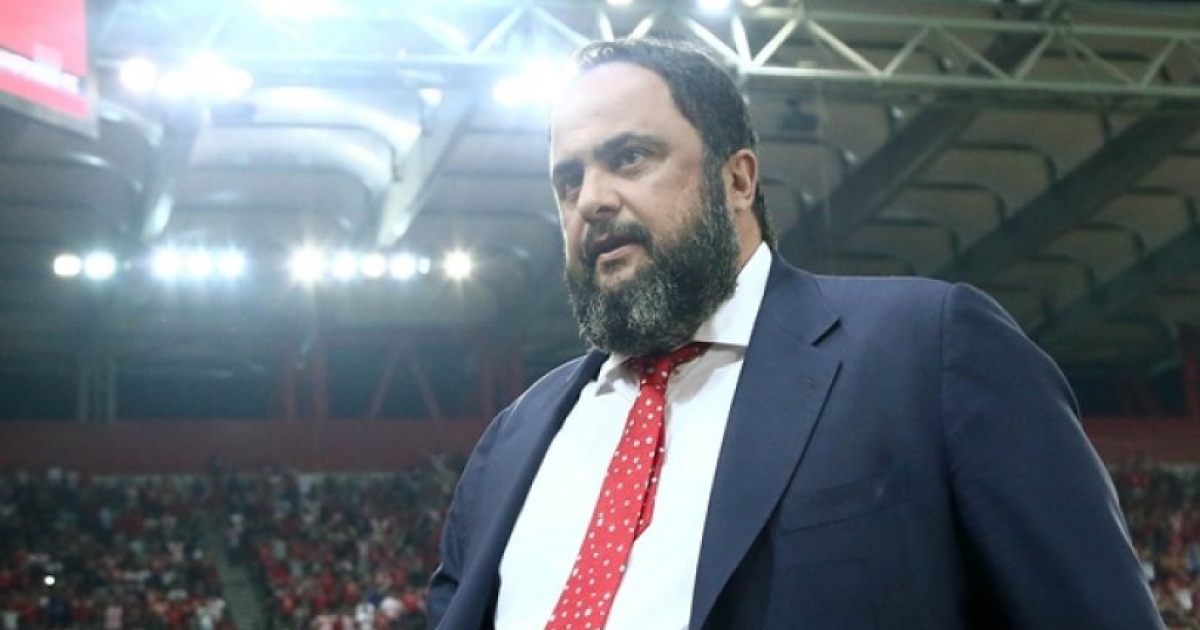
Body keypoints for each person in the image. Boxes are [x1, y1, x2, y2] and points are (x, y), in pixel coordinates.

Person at [428, 37, 1164, 630]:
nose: (591, 199)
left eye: (629, 158)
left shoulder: (927, 351)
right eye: (568, 180)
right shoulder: (511, 444)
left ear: (738, 180)